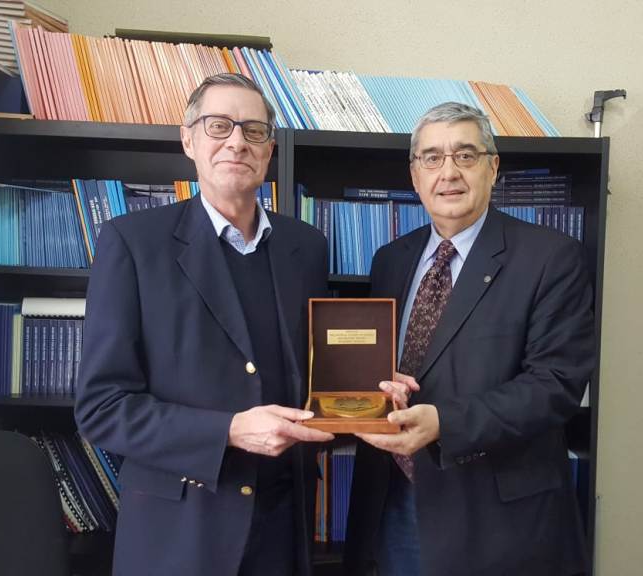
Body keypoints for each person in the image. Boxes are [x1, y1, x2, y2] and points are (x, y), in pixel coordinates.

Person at [75, 73, 334, 576]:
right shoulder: (133, 243)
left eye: (254, 130)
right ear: (188, 139)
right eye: (219, 125)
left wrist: (369, 393)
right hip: (180, 533)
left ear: (269, 149)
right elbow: (103, 408)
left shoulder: (306, 247)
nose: (237, 141)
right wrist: (229, 431)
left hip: (283, 528)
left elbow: (317, 373)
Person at [344, 102, 594, 576]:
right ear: (415, 175)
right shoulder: (390, 259)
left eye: (465, 155)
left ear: (492, 167)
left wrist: (445, 423)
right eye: (432, 158)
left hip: (496, 519)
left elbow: (555, 386)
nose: (449, 173)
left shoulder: (551, 257)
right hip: (393, 504)